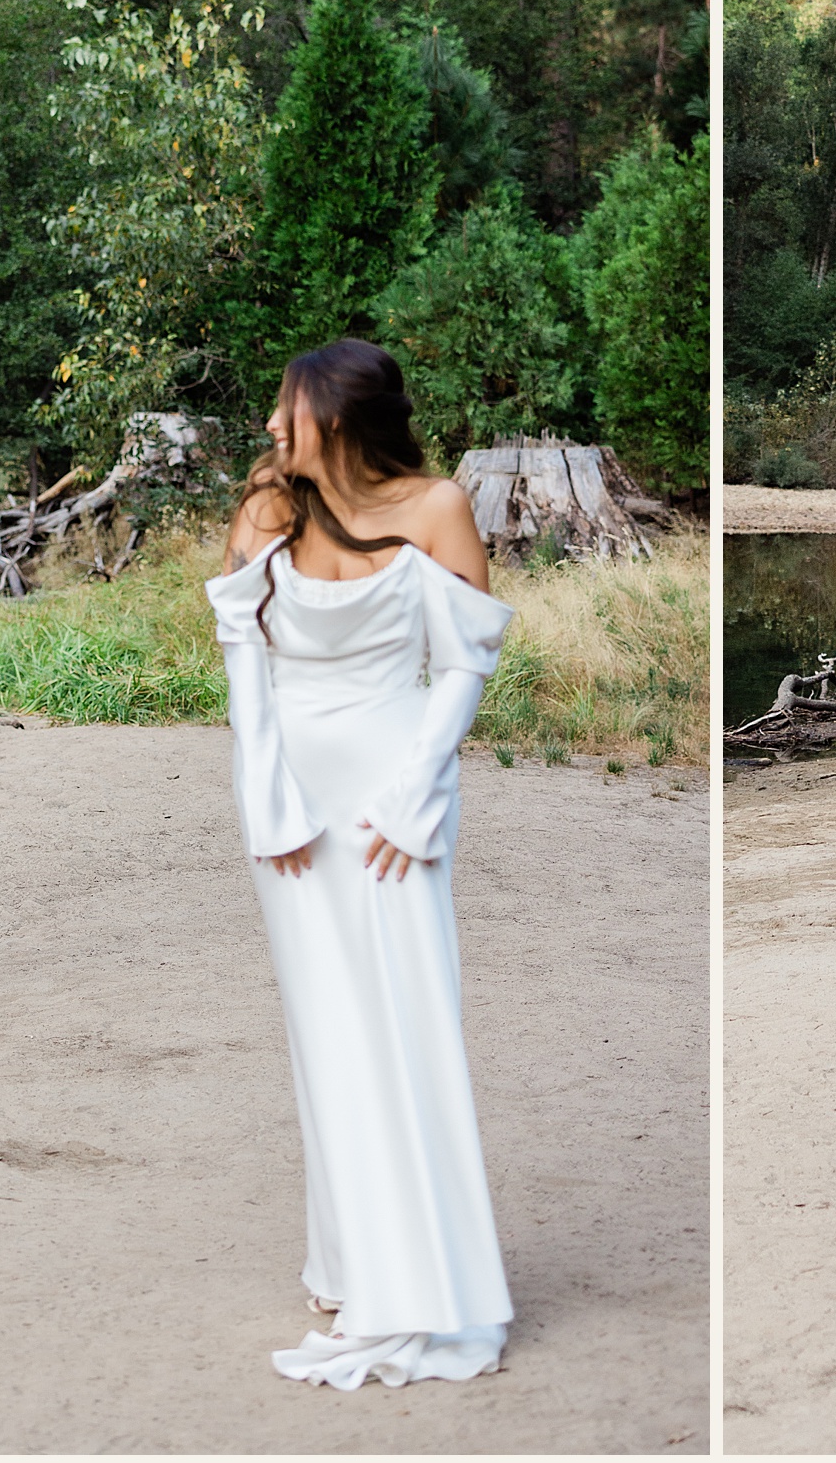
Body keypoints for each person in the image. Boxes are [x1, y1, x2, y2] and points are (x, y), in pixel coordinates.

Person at [205, 339, 516, 1389]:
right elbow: (247, 673)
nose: (269, 428)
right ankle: (341, 1263)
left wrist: (414, 789)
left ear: (340, 417)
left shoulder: (434, 506)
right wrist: (268, 799)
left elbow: (465, 658)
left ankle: (424, 1277)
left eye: (287, 411)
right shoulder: (266, 510)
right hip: (294, 808)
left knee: (409, 1019)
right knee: (324, 1030)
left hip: (395, 801)